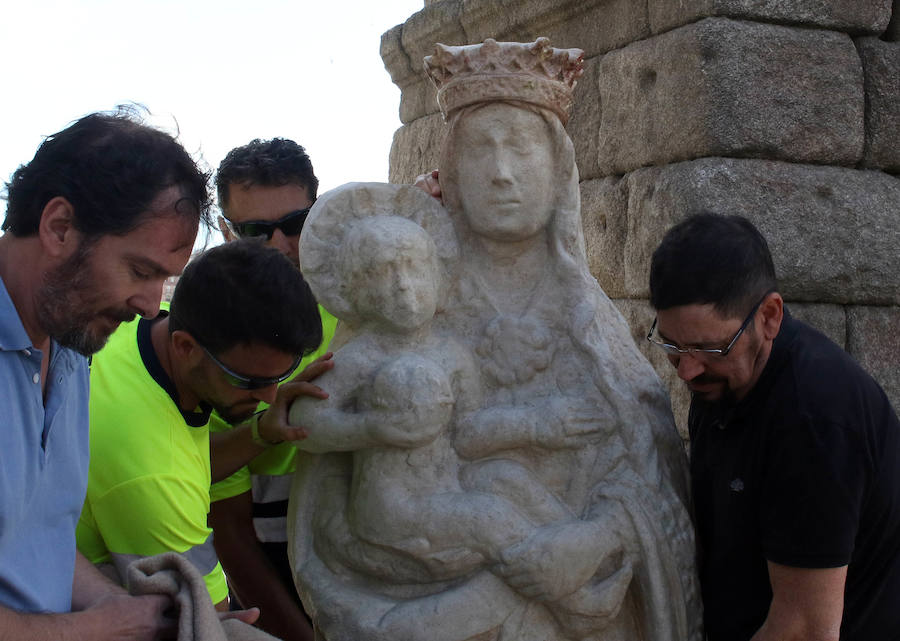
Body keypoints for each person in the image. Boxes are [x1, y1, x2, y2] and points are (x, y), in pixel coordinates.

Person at [0, 109, 210, 638]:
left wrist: (145, 616)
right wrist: (95, 631)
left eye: (163, 279)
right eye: (141, 271)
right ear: (59, 227)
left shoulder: (72, 342)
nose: (149, 305)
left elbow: (34, 539)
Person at [648, 213, 900, 641]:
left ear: (769, 316)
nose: (687, 370)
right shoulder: (720, 382)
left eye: (710, 346)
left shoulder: (814, 421)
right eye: (673, 345)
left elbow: (804, 630)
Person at [75, 240, 327, 614]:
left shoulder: (144, 328)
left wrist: (261, 432)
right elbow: (209, 623)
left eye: (282, 375)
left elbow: (186, 456)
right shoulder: (154, 480)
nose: (270, 397)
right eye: (249, 380)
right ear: (186, 346)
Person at [209, 138, 336, 641]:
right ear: (226, 231)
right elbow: (232, 535)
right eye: (257, 231)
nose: (280, 245)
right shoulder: (210, 341)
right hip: (275, 557)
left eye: (295, 224)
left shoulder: (359, 293)